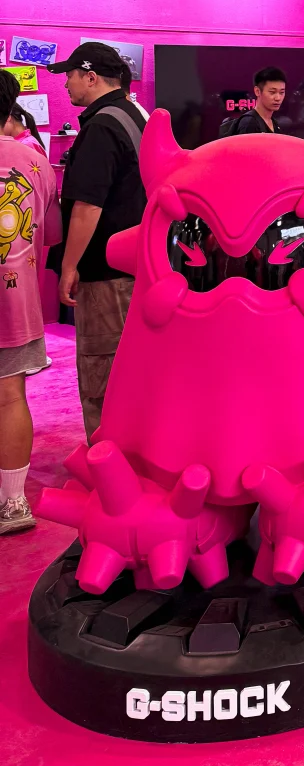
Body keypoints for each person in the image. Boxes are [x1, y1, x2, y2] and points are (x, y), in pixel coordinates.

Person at [45, 42, 147, 440]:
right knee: (134, 368)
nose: (66, 84)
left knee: (102, 371)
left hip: (105, 272)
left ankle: (108, 457)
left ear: (90, 77)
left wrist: (69, 265)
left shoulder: (101, 126)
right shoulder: (135, 115)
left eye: (70, 75)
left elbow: (88, 206)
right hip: (135, 265)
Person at [0, 68, 61, 533]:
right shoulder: (35, 160)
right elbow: (51, 232)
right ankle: (14, 502)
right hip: (15, 302)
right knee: (10, 397)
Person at [224, 65, 287, 135]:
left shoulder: (274, 123)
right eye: (272, 92)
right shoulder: (249, 123)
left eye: (281, 92)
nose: (278, 98)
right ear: (257, 91)